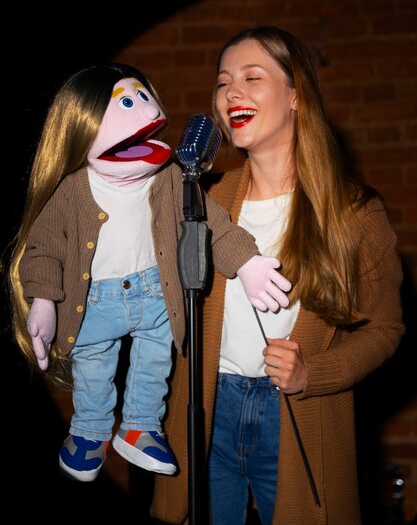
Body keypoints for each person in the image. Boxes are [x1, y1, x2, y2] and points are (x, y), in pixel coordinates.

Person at [150, 26, 404, 525]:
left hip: (297, 422)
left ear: (295, 96)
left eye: (251, 77)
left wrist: (317, 372)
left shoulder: (354, 213)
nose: (230, 93)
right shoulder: (203, 201)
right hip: (205, 408)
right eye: (223, 82)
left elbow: (387, 329)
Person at [8, 62, 292, 484]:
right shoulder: (72, 191)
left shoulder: (168, 178)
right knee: (95, 368)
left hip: (155, 296)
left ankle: (140, 426)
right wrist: (45, 301)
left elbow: (211, 222)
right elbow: (43, 249)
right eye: (126, 102)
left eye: (143, 97)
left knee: (155, 361)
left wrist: (246, 263)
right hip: (94, 303)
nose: (142, 109)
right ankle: (89, 433)